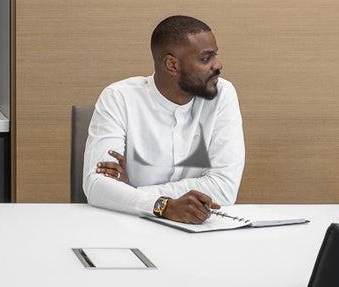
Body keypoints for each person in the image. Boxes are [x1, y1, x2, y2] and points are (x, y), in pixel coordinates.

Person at [82, 14, 243, 225]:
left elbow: (224, 188)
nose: (217, 65)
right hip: (128, 227)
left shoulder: (223, 94)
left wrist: (132, 194)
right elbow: (96, 186)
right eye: (205, 59)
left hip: (200, 232)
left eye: (215, 55)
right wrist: (164, 207)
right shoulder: (119, 97)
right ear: (172, 65)